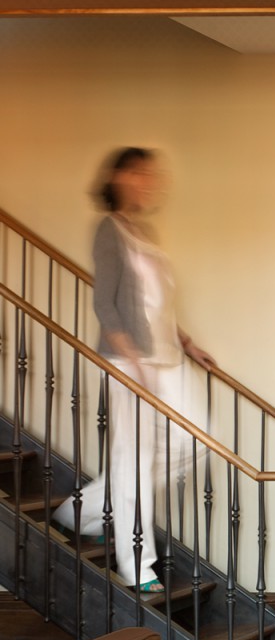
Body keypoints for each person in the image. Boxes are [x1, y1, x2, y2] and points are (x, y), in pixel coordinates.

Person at [52, 148, 215, 593]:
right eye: (142, 174)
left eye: (152, 175)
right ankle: (137, 565)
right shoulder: (108, 230)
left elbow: (157, 302)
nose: (150, 182)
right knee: (134, 461)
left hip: (168, 358)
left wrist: (186, 342)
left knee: (195, 440)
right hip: (128, 362)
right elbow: (105, 303)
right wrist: (134, 362)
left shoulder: (143, 230)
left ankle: (80, 511)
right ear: (121, 176)